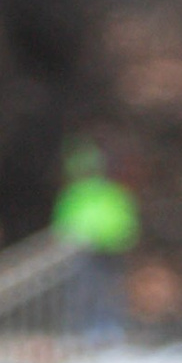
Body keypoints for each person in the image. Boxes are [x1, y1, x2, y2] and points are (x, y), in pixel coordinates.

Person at [51, 137, 139, 337]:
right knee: (83, 291)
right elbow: (63, 223)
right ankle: (83, 329)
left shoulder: (110, 193)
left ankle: (108, 329)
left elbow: (125, 222)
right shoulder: (74, 194)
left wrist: (115, 239)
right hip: (82, 252)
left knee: (108, 291)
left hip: (109, 251)